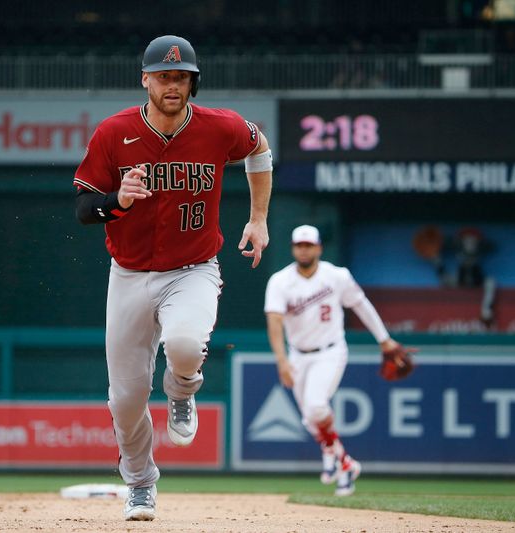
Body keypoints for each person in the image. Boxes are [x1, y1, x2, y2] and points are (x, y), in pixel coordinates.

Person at [74, 35, 272, 520]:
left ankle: (182, 391)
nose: (172, 84)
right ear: (145, 79)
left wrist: (259, 217)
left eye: (181, 76)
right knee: (125, 399)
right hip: (129, 274)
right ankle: (140, 482)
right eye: (163, 76)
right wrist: (117, 201)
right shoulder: (112, 132)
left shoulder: (219, 126)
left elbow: (259, 146)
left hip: (193, 268)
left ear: (192, 82)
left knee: (185, 344)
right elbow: (83, 209)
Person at [264, 225, 400, 496]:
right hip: (298, 354)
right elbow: (275, 323)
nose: (303, 249)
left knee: (315, 408)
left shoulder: (337, 276)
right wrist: (282, 361)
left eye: (308, 245)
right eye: (299, 245)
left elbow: (361, 305)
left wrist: (384, 339)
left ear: (318, 248)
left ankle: (331, 453)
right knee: (310, 420)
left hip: (330, 351)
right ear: (293, 248)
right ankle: (345, 464)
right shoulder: (280, 281)